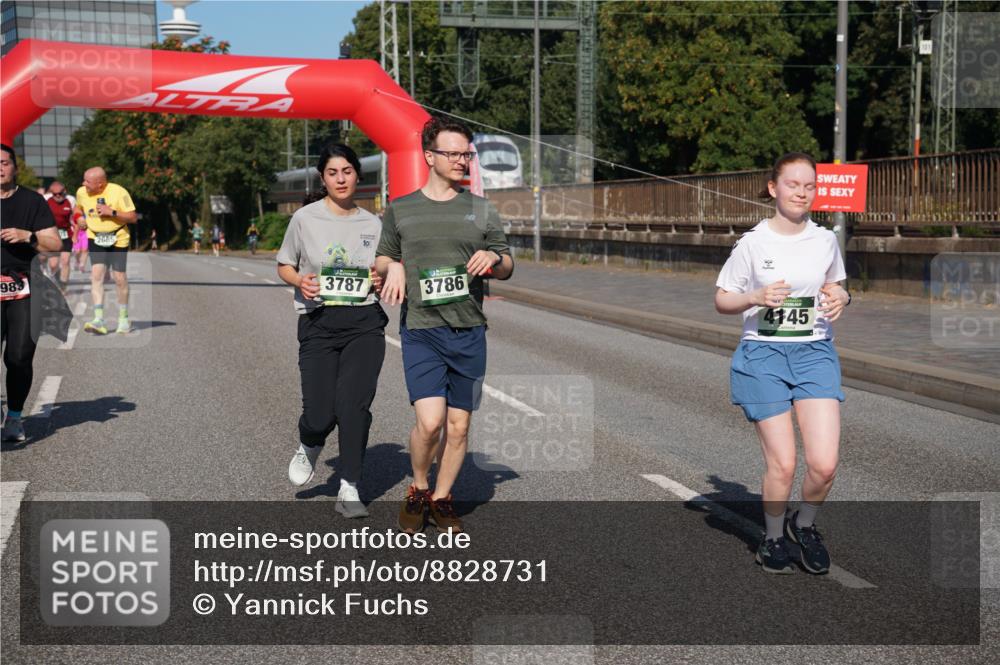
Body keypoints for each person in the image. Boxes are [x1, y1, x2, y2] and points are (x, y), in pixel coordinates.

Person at [714, 152, 851, 575]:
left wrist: (843, 296)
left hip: (814, 353)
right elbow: (722, 299)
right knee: (784, 463)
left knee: (824, 464)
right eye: (793, 184)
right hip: (764, 355)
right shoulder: (753, 243)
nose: (802, 192)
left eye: (809, 186)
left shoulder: (825, 240)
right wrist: (754, 298)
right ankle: (772, 537)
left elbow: (837, 285)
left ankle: (803, 524)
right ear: (774, 188)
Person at [376, 117, 514, 534]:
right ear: (429, 156)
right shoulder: (401, 208)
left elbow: (507, 264)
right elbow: (382, 258)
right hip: (421, 330)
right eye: (453, 154)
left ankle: (441, 498)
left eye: (466, 154)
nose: (462, 161)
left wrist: (494, 260)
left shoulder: (480, 209)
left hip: (469, 333)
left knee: (459, 425)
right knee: (431, 422)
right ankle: (418, 487)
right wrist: (393, 265)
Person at [277, 143, 388, 519]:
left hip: (364, 323)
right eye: (332, 173)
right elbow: (284, 265)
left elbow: (385, 269)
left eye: (347, 171)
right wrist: (300, 281)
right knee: (321, 413)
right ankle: (310, 443)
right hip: (319, 322)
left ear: (358, 174)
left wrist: (379, 275)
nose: (341, 179)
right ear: (322, 179)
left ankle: (350, 485)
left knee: (353, 407)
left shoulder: (374, 223)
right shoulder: (304, 219)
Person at [1, 144, 62, 442]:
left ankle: (14, 417)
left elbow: (55, 245)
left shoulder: (33, 201)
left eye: (4, 163)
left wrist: (29, 236)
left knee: (19, 357)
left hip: (24, 288)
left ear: (14, 167)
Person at [76, 167, 138, 335]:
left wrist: (112, 212)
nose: (83, 184)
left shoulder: (118, 192)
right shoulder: (82, 192)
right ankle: (98, 319)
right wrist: (79, 218)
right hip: (95, 236)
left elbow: (133, 217)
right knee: (96, 275)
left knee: (119, 277)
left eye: (88, 181)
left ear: (100, 184)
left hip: (118, 237)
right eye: (84, 180)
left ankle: (124, 320)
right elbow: (77, 209)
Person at [45, 181, 76, 293]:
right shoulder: (46, 200)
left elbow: (75, 217)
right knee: (53, 265)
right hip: (52, 235)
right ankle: (58, 281)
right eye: (55, 194)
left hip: (66, 234)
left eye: (60, 193)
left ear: (65, 191)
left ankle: (63, 287)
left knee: (65, 261)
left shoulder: (71, 200)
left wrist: (76, 231)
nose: (57, 196)